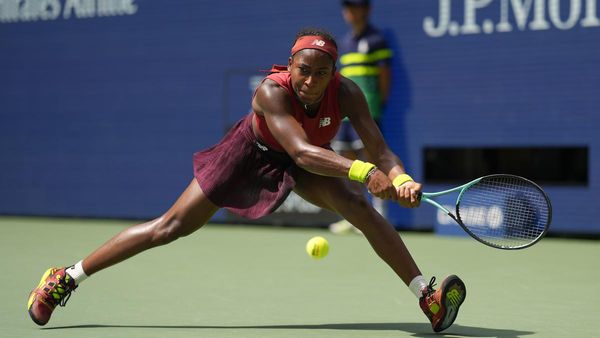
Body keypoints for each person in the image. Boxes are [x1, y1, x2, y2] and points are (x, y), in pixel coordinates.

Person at [26, 28, 466, 333]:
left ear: (335, 72)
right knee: (169, 227)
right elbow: (299, 150)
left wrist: (399, 175)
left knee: (357, 208)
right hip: (248, 155)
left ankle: (424, 294)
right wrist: (364, 171)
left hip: (307, 163)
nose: (311, 82)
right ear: (290, 65)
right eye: (303, 71)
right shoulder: (271, 93)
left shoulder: (347, 92)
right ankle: (66, 276)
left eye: (321, 73)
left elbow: (379, 148)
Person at [330, 0, 394, 234]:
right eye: (347, 6)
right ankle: (354, 214)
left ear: (366, 10)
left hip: (367, 113)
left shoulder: (377, 40)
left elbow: (384, 76)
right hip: (344, 115)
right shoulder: (344, 43)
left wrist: (378, 104)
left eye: (356, 6)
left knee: (373, 161)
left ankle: (379, 215)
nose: (350, 11)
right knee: (349, 165)